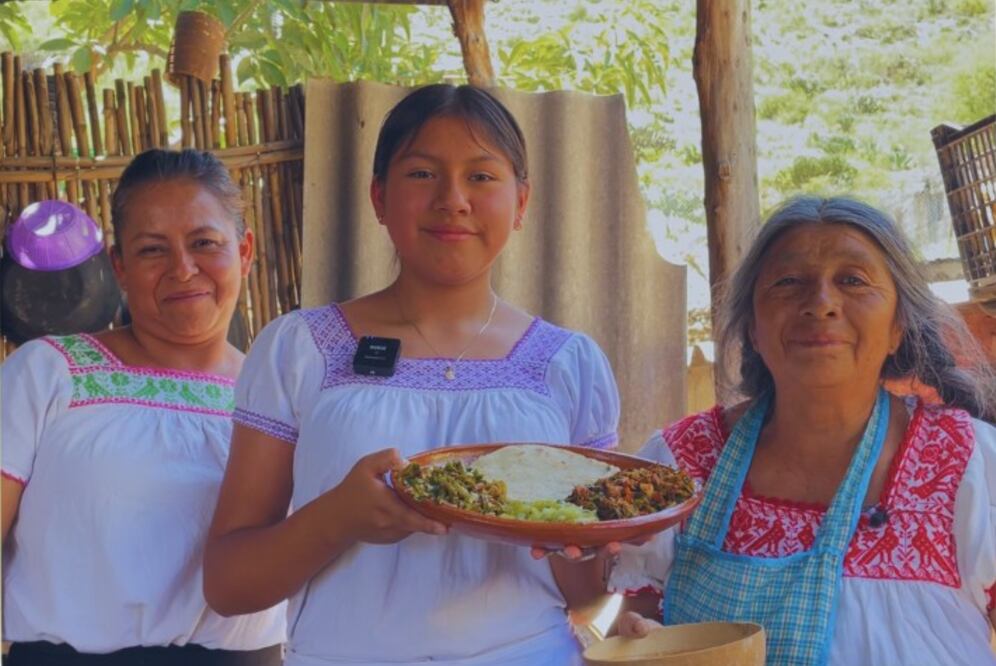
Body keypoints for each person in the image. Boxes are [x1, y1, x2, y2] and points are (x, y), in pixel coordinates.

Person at [202, 84, 621, 666]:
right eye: (423, 174)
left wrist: (578, 541)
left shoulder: (568, 364)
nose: (453, 199)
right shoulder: (300, 348)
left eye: (482, 176)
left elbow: (587, 596)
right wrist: (338, 517)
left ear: (521, 202)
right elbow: (228, 585)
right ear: (379, 196)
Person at [601, 196, 996, 666]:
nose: (822, 304)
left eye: (853, 280)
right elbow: (634, 624)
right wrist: (638, 639)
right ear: (752, 326)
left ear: (899, 326)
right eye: (788, 282)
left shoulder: (967, 461)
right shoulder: (680, 464)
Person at [1, 149, 286, 665]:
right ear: (121, 267)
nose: (182, 269)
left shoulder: (280, 397)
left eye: (204, 243)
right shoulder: (48, 374)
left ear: (244, 252)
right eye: (153, 250)